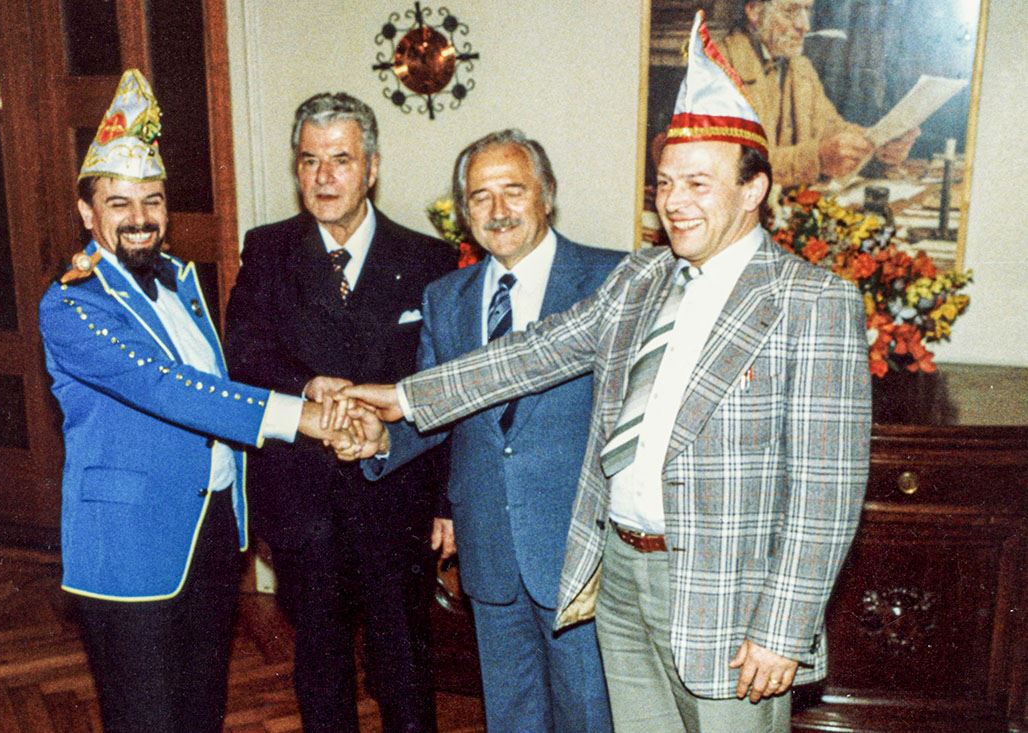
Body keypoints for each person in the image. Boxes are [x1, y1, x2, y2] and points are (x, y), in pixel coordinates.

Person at [342, 13, 871, 732]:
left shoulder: (812, 301)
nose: (675, 200)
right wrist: (405, 397)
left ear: (753, 190)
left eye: (698, 182)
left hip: (727, 600)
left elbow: (825, 491)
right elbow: (534, 352)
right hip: (619, 581)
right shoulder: (642, 277)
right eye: (665, 182)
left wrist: (784, 628)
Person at [38, 70, 377, 733]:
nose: (140, 218)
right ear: (87, 213)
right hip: (132, 541)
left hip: (211, 527)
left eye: (153, 200)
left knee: (201, 711)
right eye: (119, 203)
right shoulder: (73, 303)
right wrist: (305, 416)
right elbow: (169, 388)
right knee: (146, 718)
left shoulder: (179, 282)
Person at [363, 129, 621, 732]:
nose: (498, 210)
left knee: (589, 714)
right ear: (464, 211)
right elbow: (435, 413)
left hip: (578, 550)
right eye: (480, 196)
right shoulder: (445, 297)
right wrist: (380, 440)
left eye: (514, 190)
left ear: (547, 194)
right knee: (510, 716)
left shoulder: (609, 279)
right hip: (489, 546)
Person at [223, 92, 456, 732]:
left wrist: (446, 503)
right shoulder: (268, 249)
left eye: (341, 160)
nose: (323, 177)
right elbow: (243, 351)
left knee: (404, 663)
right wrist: (306, 385)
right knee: (320, 662)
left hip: (397, 498)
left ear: (371, 168)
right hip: (304, 498)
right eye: (309, 161)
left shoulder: (429, 259)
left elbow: (446, 387)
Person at [718, 0, 919, 185]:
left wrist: (879, 146)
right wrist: (817, 159)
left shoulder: (800, 67)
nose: (804, 26)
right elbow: (732, 166)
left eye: (807, 10)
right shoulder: (719, 68)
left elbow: (831, 128)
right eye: (790, 11)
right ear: (754, 11)